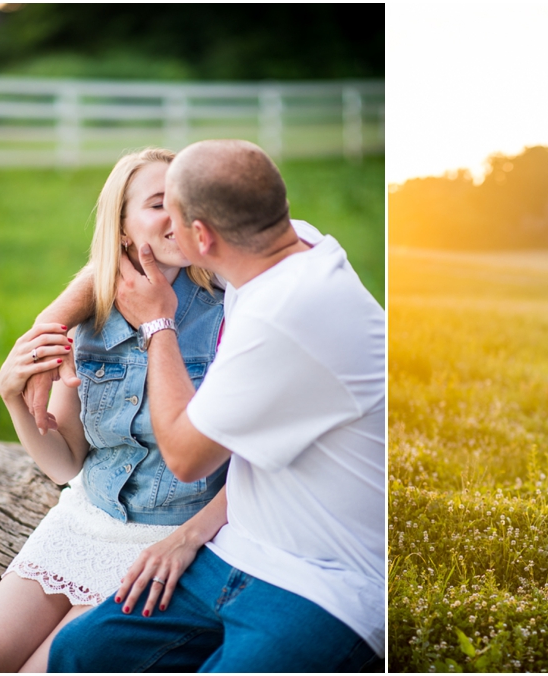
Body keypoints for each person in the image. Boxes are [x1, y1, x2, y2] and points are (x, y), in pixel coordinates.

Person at [37, 139, 384, 672]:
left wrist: (159, 325)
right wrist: (50, 327)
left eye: (172, 218)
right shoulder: (282, 246)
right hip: (234, 549)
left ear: (202, 236)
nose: (165, 231)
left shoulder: (285, 319)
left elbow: (184, 455)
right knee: (77, 652)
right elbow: (125, 253)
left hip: (326, 584)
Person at [0, 148, 228, 673]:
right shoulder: (92, 318)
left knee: (47, 665)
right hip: (85, 518)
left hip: (167, 535)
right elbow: (65, 464)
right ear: (124, 230)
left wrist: (187, 539)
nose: (176, 214)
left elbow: (252, 464)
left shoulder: (229, 313)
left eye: (184, 200)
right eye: (158, 203)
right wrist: (13, 398)